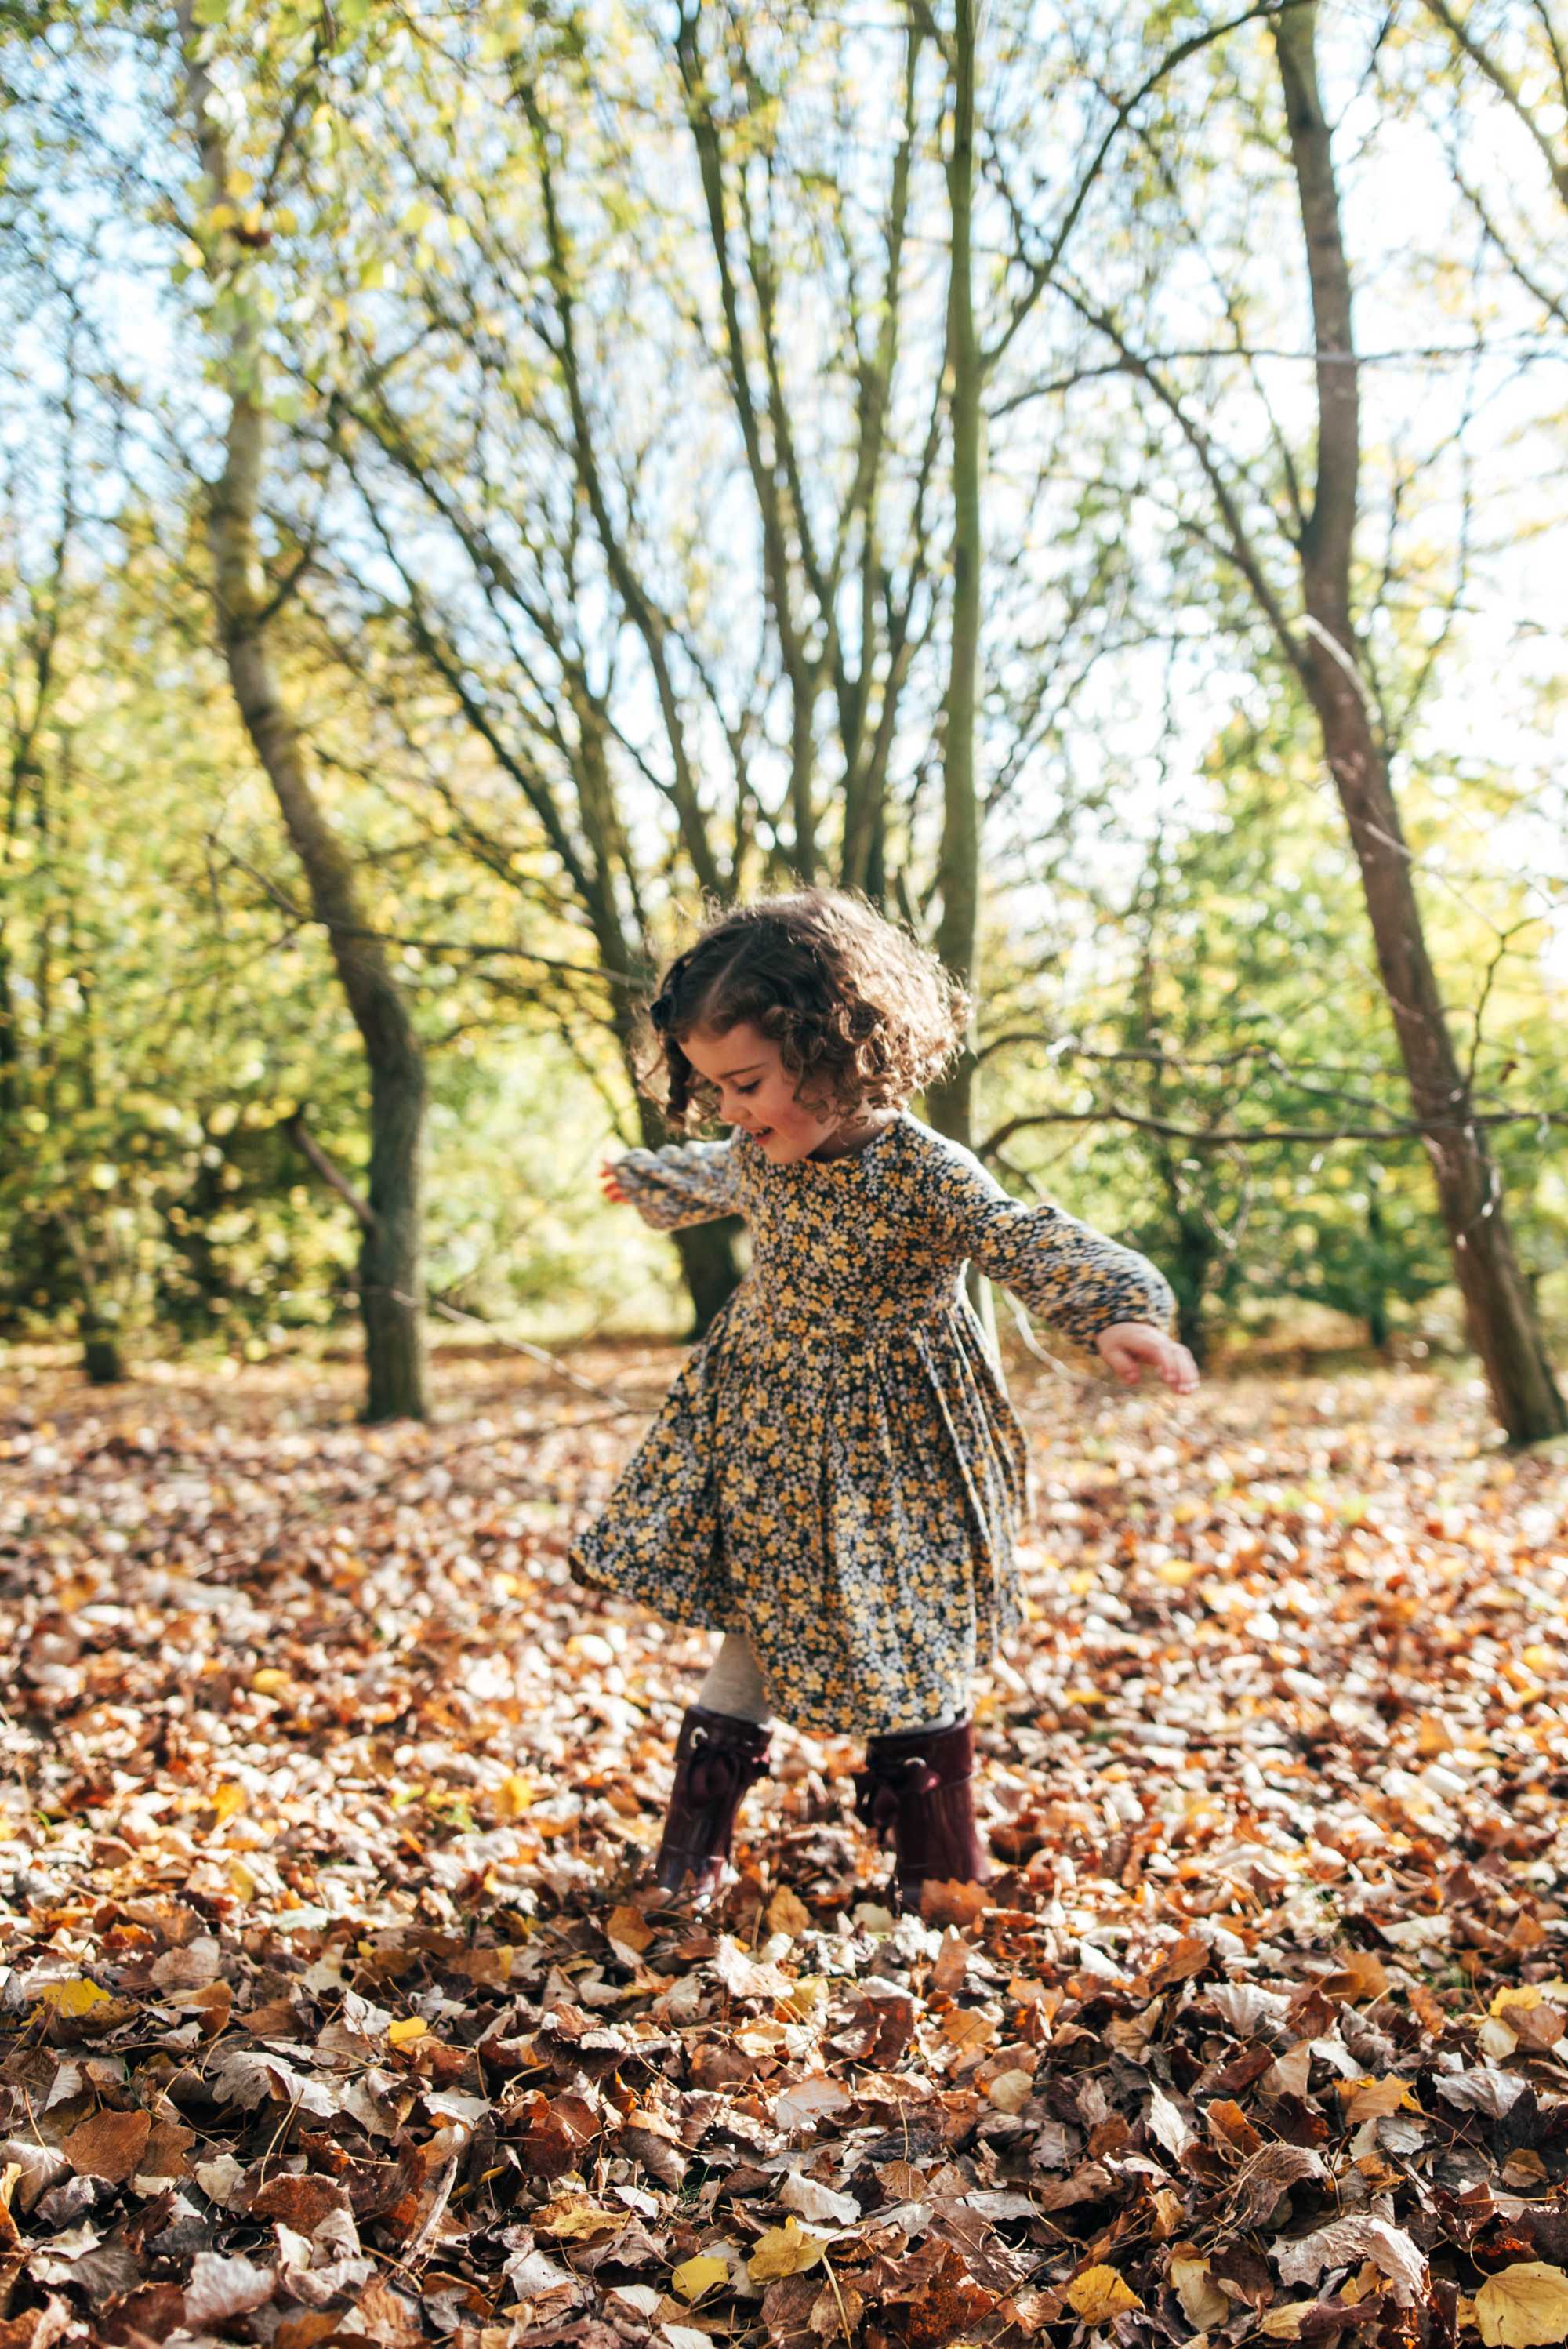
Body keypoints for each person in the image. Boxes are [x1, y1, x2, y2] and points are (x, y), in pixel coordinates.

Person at [571, 888, 1197, 1908]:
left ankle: (939, 1868)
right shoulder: (755, 1153)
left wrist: (1118, 1309)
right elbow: (713, 1174)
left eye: (747, 1083)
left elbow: (1019, 1237)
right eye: (712, 1087)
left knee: (907, 1626)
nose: (730, 1109)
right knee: (760, 1615)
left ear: (832, 1051)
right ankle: (692, 1854)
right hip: (766, 1419)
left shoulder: (925, 1173)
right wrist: (646, 1179)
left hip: (896, 1441)